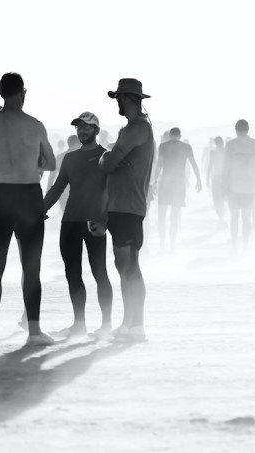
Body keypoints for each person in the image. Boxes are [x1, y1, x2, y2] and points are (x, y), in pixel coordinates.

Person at [0, 73, 56, 346]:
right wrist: (31, 163)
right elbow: (51, 163)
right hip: (28, 193)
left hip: (2, 193)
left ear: (1, 93)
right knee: (31, 266)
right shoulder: (35, 125)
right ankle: (34, 332)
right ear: (23, 93)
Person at [43, 112, 113, 339]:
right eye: (79, 127)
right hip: (71, 221)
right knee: (72, 274)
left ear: (96, 130)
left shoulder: (106, 156)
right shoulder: (70, 158)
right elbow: (58, 188)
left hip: (94, 223)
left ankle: (106, 326)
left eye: (87, 127)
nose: (82, 131)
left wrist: (104, 221)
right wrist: (40, 210)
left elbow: (113, 191)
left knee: (99, 272)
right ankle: (79, 324)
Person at [99, 78, 155, 342]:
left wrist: (105, 156)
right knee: (124, 266)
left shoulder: (137, 127)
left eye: (119, 98)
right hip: (122, 205)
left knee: (129, 266)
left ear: (127, 98)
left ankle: (137, 325)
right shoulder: (133, 128)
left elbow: (109, 163)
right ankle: (129, 324)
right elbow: (114, 161)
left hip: (128, 206)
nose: (117, 103)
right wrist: (111, 157)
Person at [151, 127, 202, 253]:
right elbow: (194, 164)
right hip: (179, 184)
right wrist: (199, 180)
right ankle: (172, 247)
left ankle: (162, 245)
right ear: (180, 136)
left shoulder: (163, 146)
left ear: (170, 135)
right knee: (174, 216)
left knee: (162, 216)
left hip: (165, 183)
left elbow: (159, 165)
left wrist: (155, 181)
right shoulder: (186, 147)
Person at [223, 120, 255, 253]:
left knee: (234, 218)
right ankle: (245, 246)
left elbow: (225, 167)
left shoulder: (231, 145)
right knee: (246, 218)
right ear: (248, 129)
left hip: (234, 186)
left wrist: (224, 187)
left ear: (236, 130)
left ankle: (235, 246)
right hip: (250, 187)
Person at [205, 136, 226, 226]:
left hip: (217, 177)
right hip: (224, 178)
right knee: (221, 199)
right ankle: (222, 218)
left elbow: (210, 166)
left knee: (217, 199)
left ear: (215, 143)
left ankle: (221, 218)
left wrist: (207, 179)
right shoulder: (226, 152)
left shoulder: (213, 153)